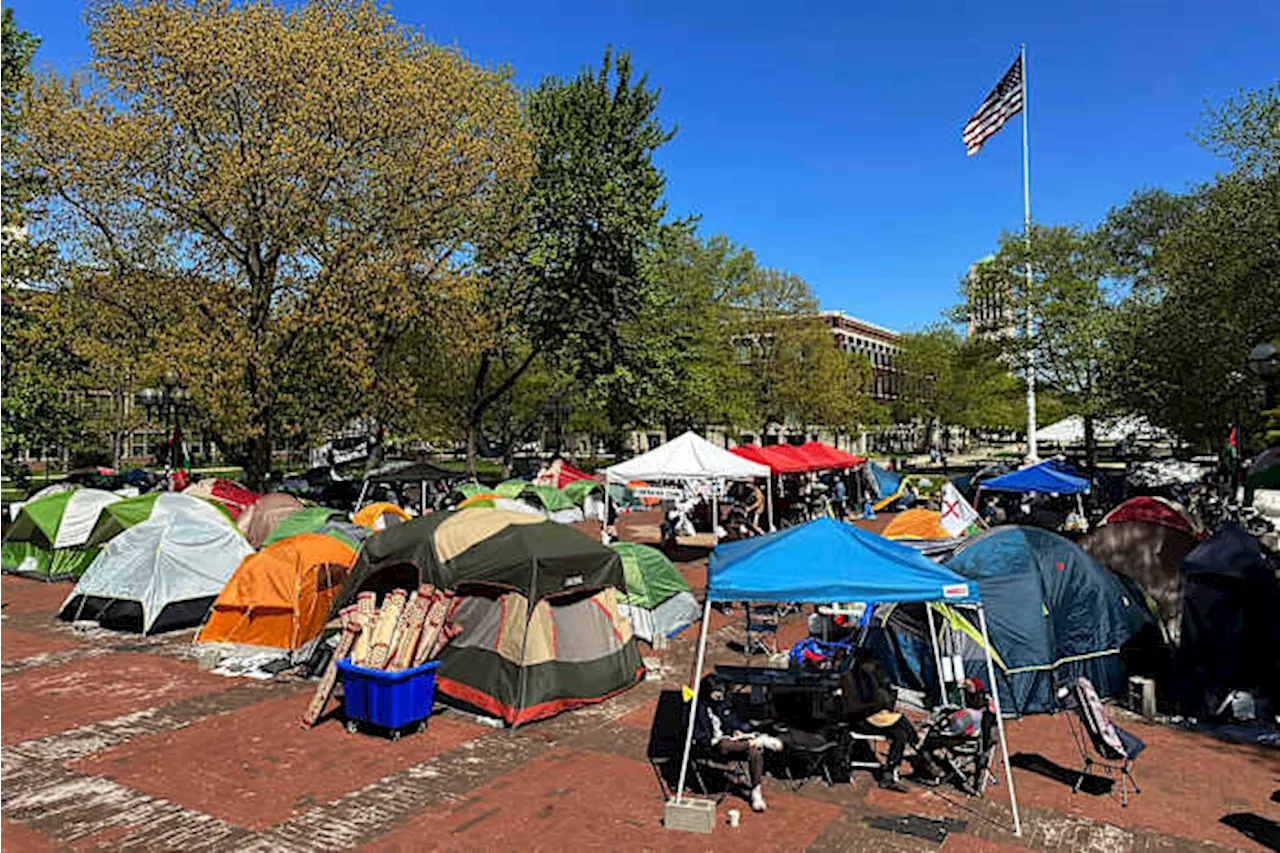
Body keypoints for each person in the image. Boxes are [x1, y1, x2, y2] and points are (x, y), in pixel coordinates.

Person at [838, 649, 939, 792]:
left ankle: (890, 774)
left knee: (901, 734)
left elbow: (884, 695)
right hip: (861, 721)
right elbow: (855, 708)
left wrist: (885, 701)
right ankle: (922, 758)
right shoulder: (850, 680)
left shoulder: (870, 676)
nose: (873, 667)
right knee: (902, 723)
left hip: (875, 715)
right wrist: (880, 704)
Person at [691, 675, 783, 811]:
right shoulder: (697, 708)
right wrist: (711, 740)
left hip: (732, 740)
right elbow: (700, 735)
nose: (720, 696)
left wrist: (736, 730)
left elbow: (731, 720)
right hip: (713, 745)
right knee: (725, 745)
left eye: (721, 692)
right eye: (716, 693)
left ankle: (755, 791)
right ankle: (758, 740)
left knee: (755, 752)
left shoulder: (723, 703)